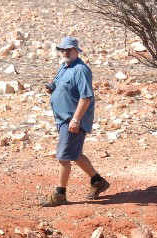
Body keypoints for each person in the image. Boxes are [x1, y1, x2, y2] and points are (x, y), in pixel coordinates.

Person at [40, 36, 110, 207]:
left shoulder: (81, 70)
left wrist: (76, 119)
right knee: (75, 153)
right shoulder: (64, 66)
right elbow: (62, 86)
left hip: (72, 120)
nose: (65, 52)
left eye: (69, 49)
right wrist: (52, 90)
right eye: (63, 49)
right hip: (63, 119)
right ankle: (97, 181)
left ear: (76, 51)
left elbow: (86, 97)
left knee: (63, 156)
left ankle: (60, 194)